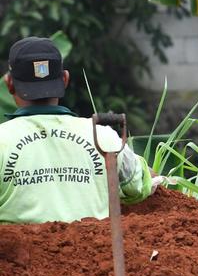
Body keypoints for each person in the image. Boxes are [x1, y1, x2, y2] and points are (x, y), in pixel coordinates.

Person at [0, 37, 152, 223]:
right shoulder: (105, 138)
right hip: (96, 251)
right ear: (65, 79)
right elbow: (138, 186)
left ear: (9, 83)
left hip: (23, 252)